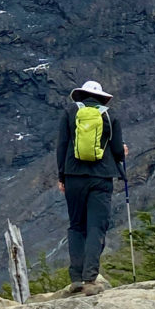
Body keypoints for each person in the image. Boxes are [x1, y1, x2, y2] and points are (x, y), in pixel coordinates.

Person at [57, 79, 127, 295]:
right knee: (96, 226)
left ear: (81, 95)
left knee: (76, 225)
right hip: (101, 177)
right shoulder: (109, 115)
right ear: (101, 97)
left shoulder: (70, 112)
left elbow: (61, 146)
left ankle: (76, 278)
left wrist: (62, 177)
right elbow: (116, 149)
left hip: (73, 177)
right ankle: (90, 279)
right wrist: (121, 152)